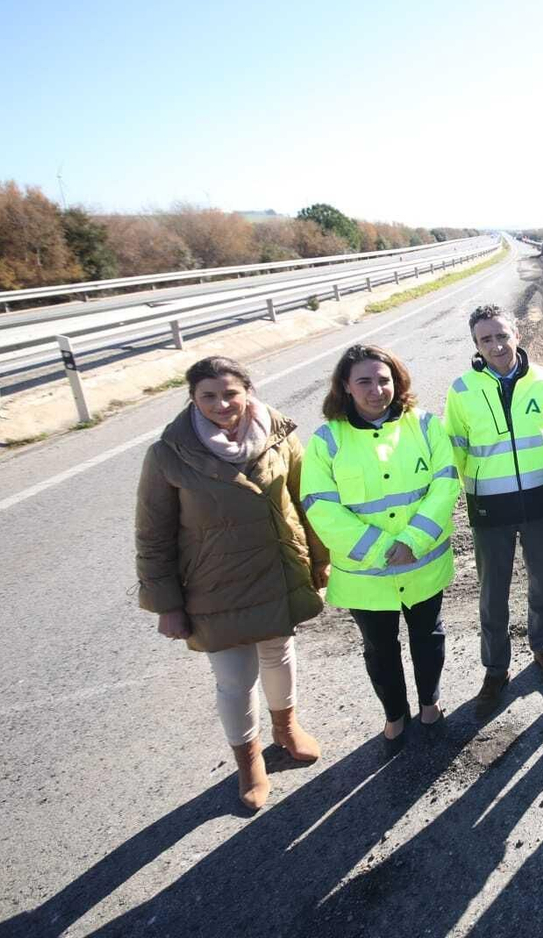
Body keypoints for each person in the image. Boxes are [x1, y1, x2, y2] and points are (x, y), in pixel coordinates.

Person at [135, 356, 326, 810]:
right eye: (209, 396)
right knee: (234, 677)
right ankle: (249, 762)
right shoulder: (168, 454)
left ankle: (286, 727)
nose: (222, 404)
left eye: (230, 393)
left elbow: (307, 500)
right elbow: (152, 533)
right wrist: (167, 604)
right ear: (193, 399)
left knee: (279, 653)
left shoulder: (280, 436)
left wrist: (321, 559)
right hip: (213, 585)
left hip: (277, 570)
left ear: (248, 391)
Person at [301, 345, 460, 754]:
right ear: (345, 387)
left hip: (421, 564)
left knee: (429, 636)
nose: (376, 390)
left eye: (384, 380)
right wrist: (381, 549)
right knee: (379, 648)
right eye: (365, 382)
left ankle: (430, 703)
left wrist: (413, 541)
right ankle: (394, 714)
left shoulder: (424, 425)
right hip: (366, 577)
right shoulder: (327, 440)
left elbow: (445, 483)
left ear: (398, 381)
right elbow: (320, 505)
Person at [447, 303, 543, 718]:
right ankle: (496, 667)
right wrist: (472, 494)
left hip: (539, 500)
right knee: (492, 592)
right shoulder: (462, 390)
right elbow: (456, 450)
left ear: (517, 333)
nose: (496, 345)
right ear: (476, 344)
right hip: (490, 507)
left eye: (502, 335)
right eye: (486, 339)